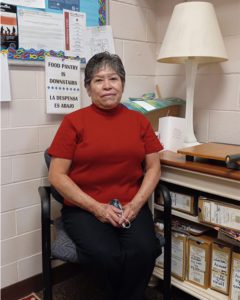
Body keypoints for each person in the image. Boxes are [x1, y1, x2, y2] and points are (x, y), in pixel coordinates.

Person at [48, 51, 163, 300]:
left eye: (114, 78)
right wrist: (97, 208)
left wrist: (136, 204)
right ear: (88, 88)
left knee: (145, 250)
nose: (107, 85)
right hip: (85, 209)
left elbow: (154, 168)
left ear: (122, 83)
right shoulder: (73, 122)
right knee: (106, 255)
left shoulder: (139, 121)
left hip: (130, 206)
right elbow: (56, 176)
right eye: (99, 80)